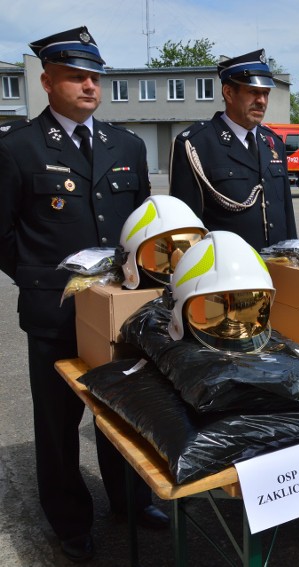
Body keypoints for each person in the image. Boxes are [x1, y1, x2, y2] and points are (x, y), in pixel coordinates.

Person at [0, 26, 166, 563]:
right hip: (57, 312)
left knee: (124, 410)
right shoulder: (18, 149)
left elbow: (143, 224)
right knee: (57, 423)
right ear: (47, 81)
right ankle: (70, 521)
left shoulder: (127, 144)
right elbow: (3, 234)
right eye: (77, 76)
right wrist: (43, 281)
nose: (90, 85)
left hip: (120, 309)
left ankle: (131, 501)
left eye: (95, 76)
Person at [169, 49, 296, 251]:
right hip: (226, 272)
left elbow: (287, 215)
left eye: (265, 93)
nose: (262, 101)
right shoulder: (196, 144)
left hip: (277, 269)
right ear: (228, 93)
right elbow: (185, 227)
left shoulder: (273, 143)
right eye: (253, 91)